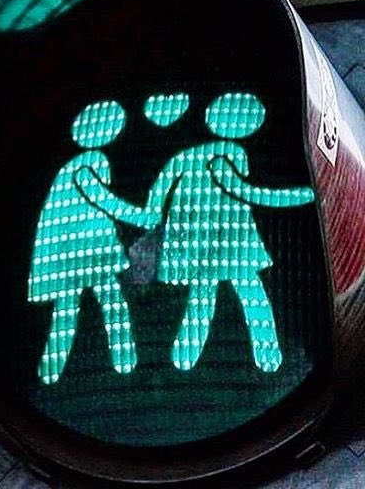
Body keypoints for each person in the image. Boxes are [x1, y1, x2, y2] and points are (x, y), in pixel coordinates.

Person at [75, 92, 315, 372]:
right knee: (249, 295)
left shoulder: (187, 157)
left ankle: (186, 359)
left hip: (199, 243)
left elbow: (155, 202)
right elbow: (243, 191)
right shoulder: (226, 155)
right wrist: (298, 196)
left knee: (203, 299)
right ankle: (266, 358)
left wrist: (126, 208)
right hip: (231, 241)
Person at [28, 100, 143, 384]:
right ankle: (124, 362)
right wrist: (141, 217)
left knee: (67, 312)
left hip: (65, 254)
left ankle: (51, 371)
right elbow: (102, 199)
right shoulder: (90, 162)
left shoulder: (72, 164)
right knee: (113, 302)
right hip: (89, 251)